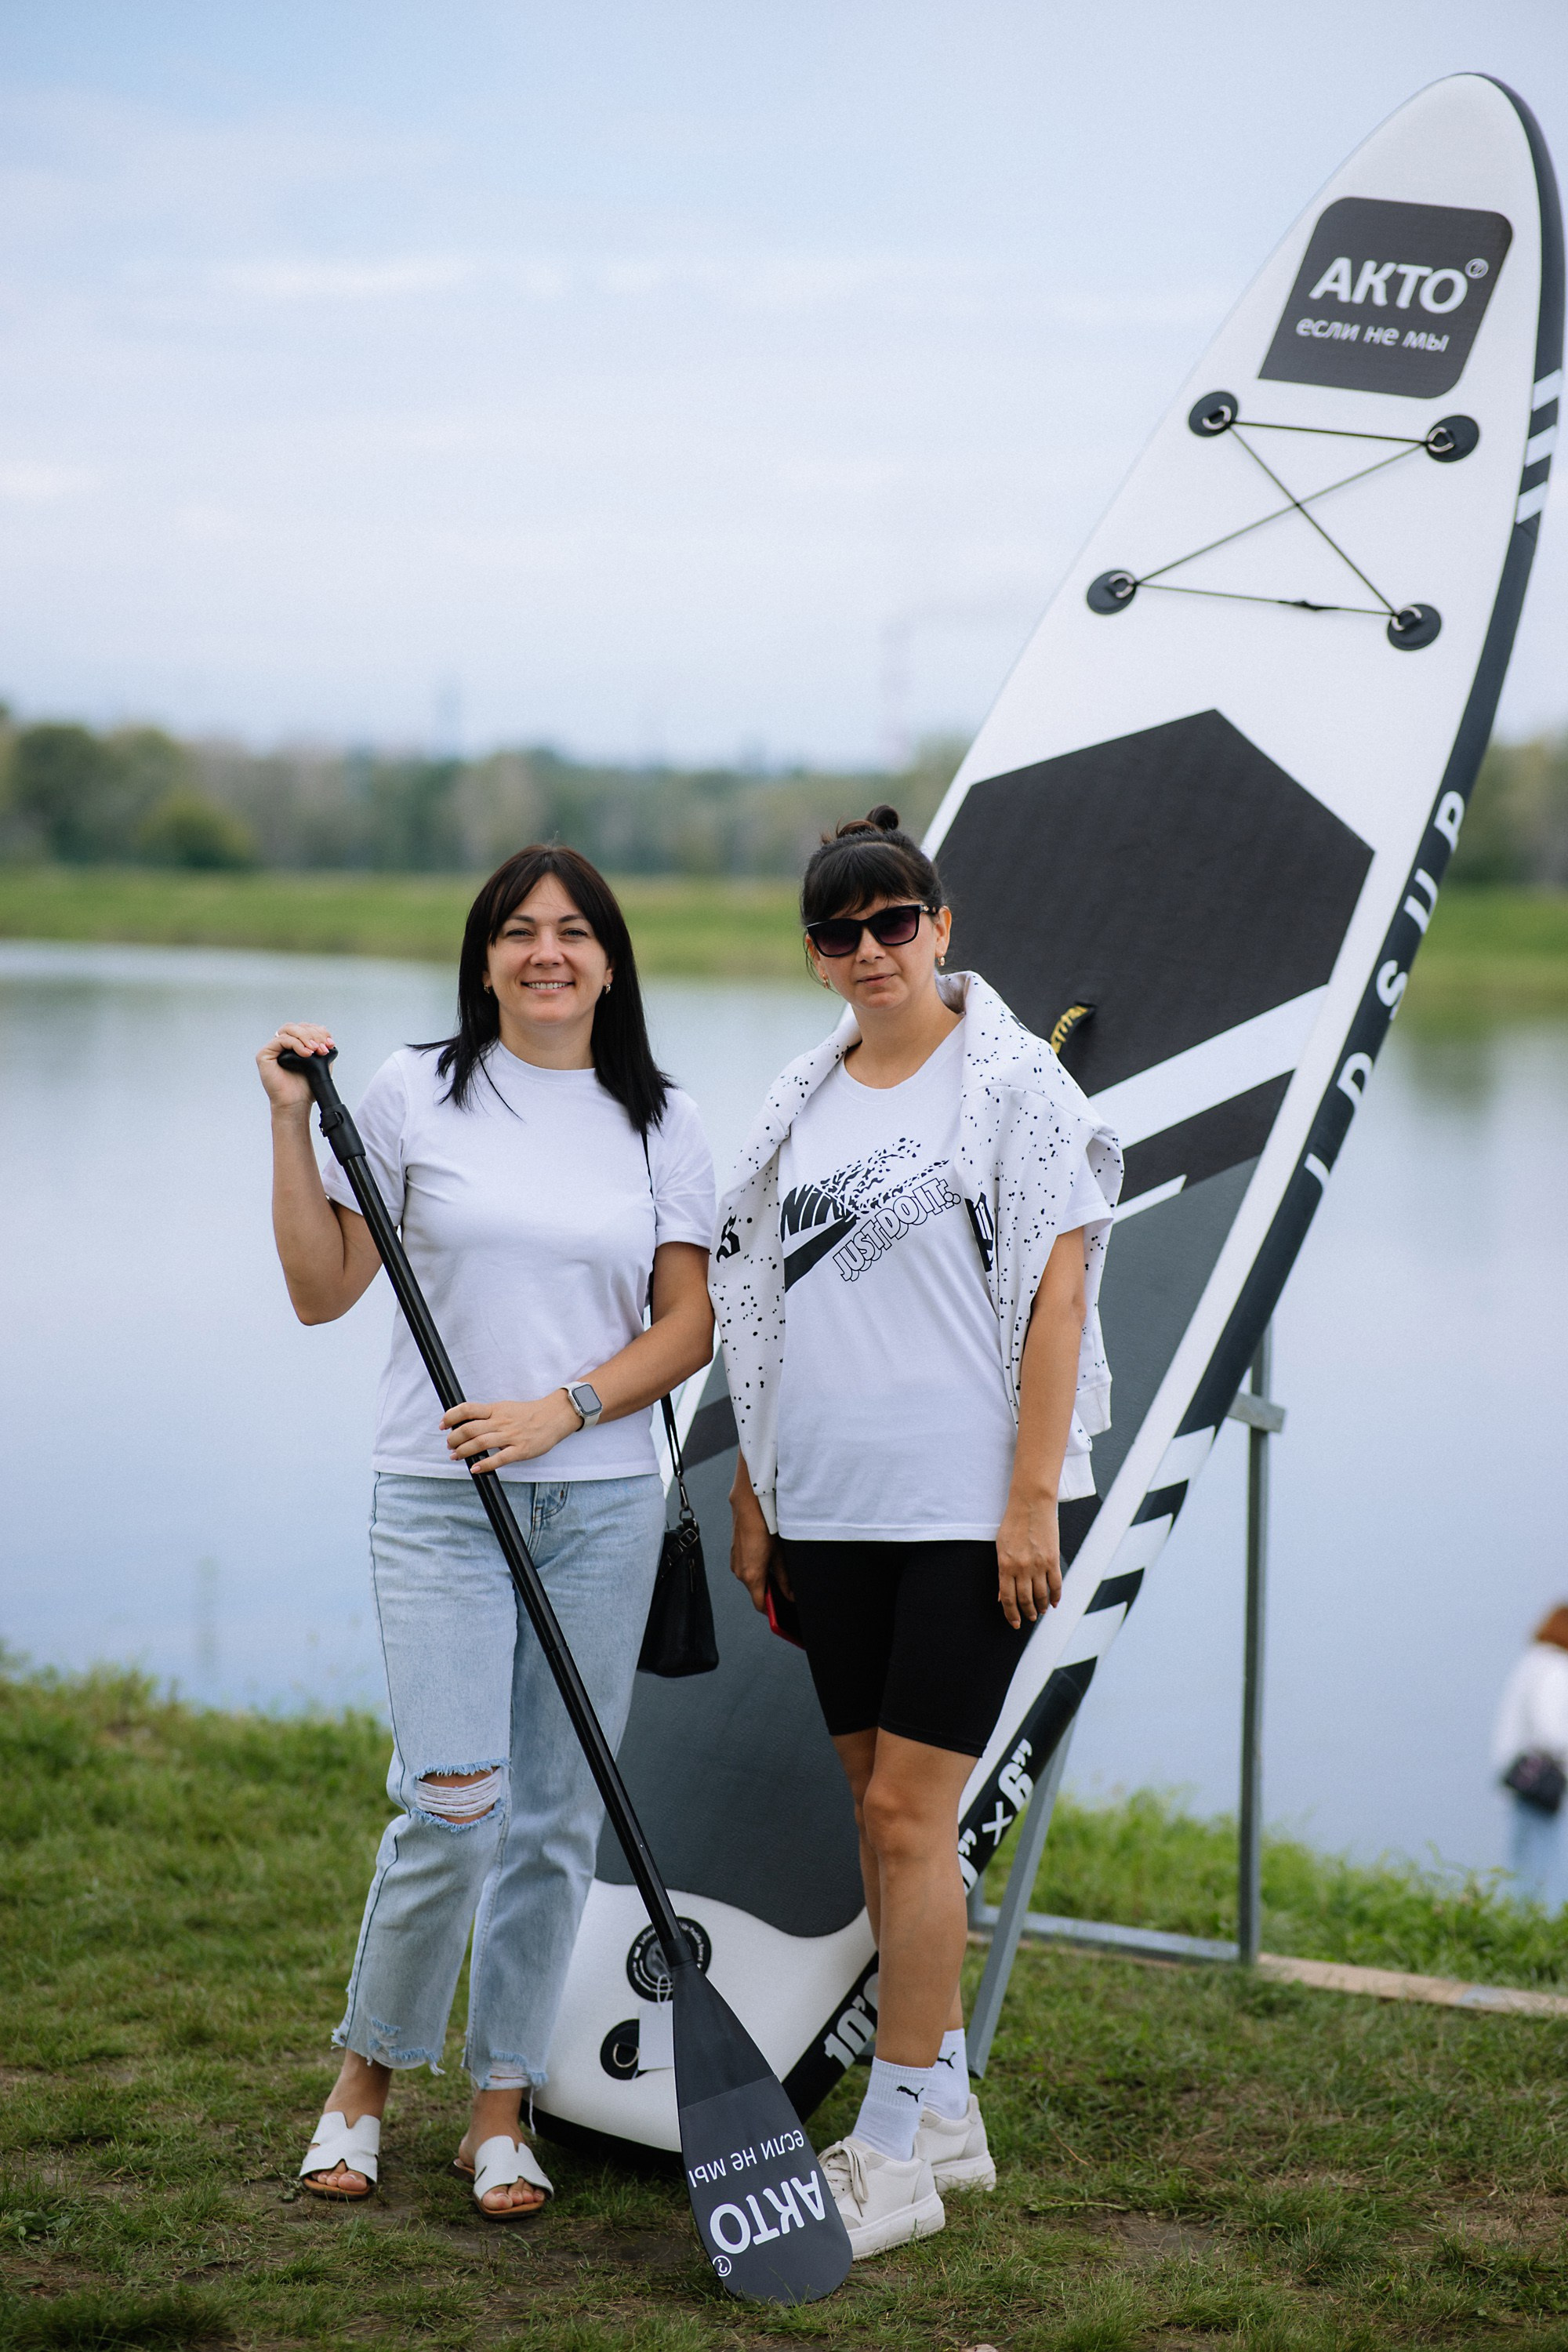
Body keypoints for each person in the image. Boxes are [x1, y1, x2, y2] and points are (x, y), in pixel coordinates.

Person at [256, 845, 715, 2219]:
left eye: (573, 932)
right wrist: (290, 1126)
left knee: (556, 1820)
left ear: (611, 960)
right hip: (437, 1497)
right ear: (487, 957)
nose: (547, 953)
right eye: (519, 933)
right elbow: (322, 1290)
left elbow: (688, 1325)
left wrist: (560, 1411)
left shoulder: (662, 1120)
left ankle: (499, 2110)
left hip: (605, 1501)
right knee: (453, 1805)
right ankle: (363, 2085)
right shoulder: (410, 1091)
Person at [713, 805, 1121, 2259]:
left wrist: (1030, 1499)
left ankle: (890, 2152)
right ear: (817, 959)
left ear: (943, 928)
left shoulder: (1016, 1089)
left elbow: (1061, 1300)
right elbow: (762, 1311)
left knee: (908, 1816)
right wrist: (759, 1492)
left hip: (970, 1512)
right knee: (880, 1814)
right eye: (844, 931)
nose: (875, 949)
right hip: (830, 1510)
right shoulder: (798, 1103)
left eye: (898, 921)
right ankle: (943, 2099)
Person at [1494, 1605, 1568, 1910]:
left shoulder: (1531, 1663)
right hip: (1542, 1778)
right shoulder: (1555, 1667)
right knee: (1541, 1864)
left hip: (1519, 1775)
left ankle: (1516, 1928)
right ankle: (1535, 1935)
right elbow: (1551, 1730)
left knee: (1522, 1859)